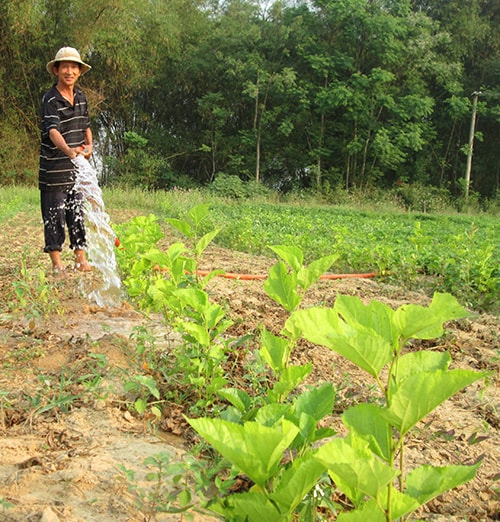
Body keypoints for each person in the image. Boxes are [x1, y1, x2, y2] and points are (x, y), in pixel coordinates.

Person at [39, 46, 93, 274]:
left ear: (79, 71)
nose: (69, 71)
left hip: (76, 170)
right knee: (55, 215)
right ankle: (57, 264)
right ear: (57, 70)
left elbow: (86, 126)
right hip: (54, 169)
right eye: (65, 67)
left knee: (77, 213)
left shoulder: (80, 97)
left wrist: (90, 146)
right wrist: (69, 151)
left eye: (73, 67)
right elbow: (52, 131)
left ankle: (81, 260)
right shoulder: (50, 99)